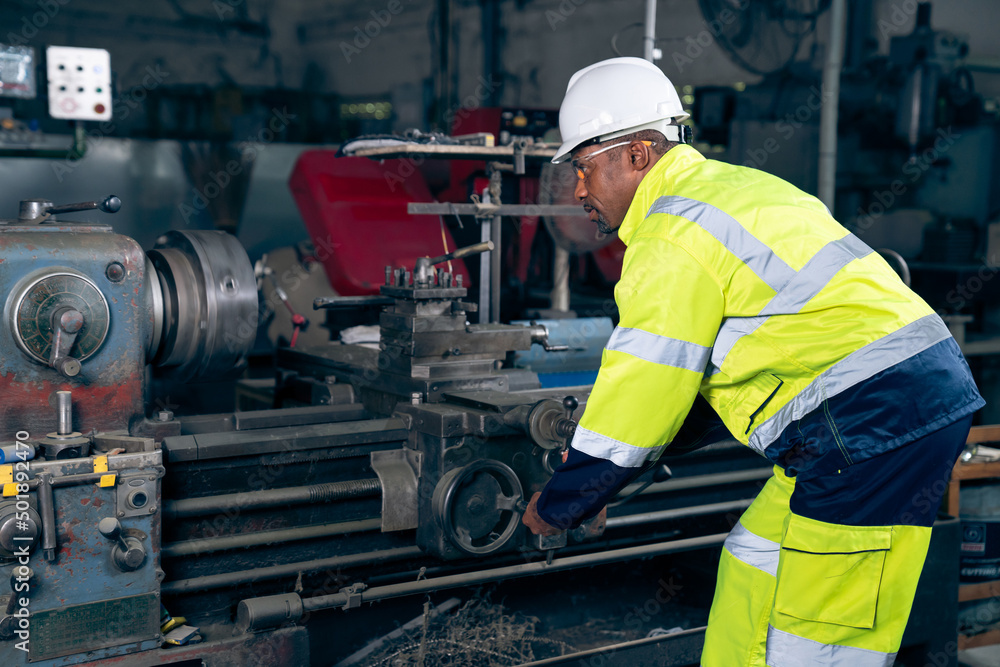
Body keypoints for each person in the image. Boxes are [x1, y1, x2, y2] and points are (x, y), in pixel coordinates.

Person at [521, 56, 984, 666]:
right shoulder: (736, 188)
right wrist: (611, 477)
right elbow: (702, 390)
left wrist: (561, 503)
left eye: (583, 168)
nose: (578, 189)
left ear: (636, 154)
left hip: (872, 424)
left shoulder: (669, 236)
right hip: (879, 408)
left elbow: (636, 401)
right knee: (752, 559)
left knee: (817, 640)